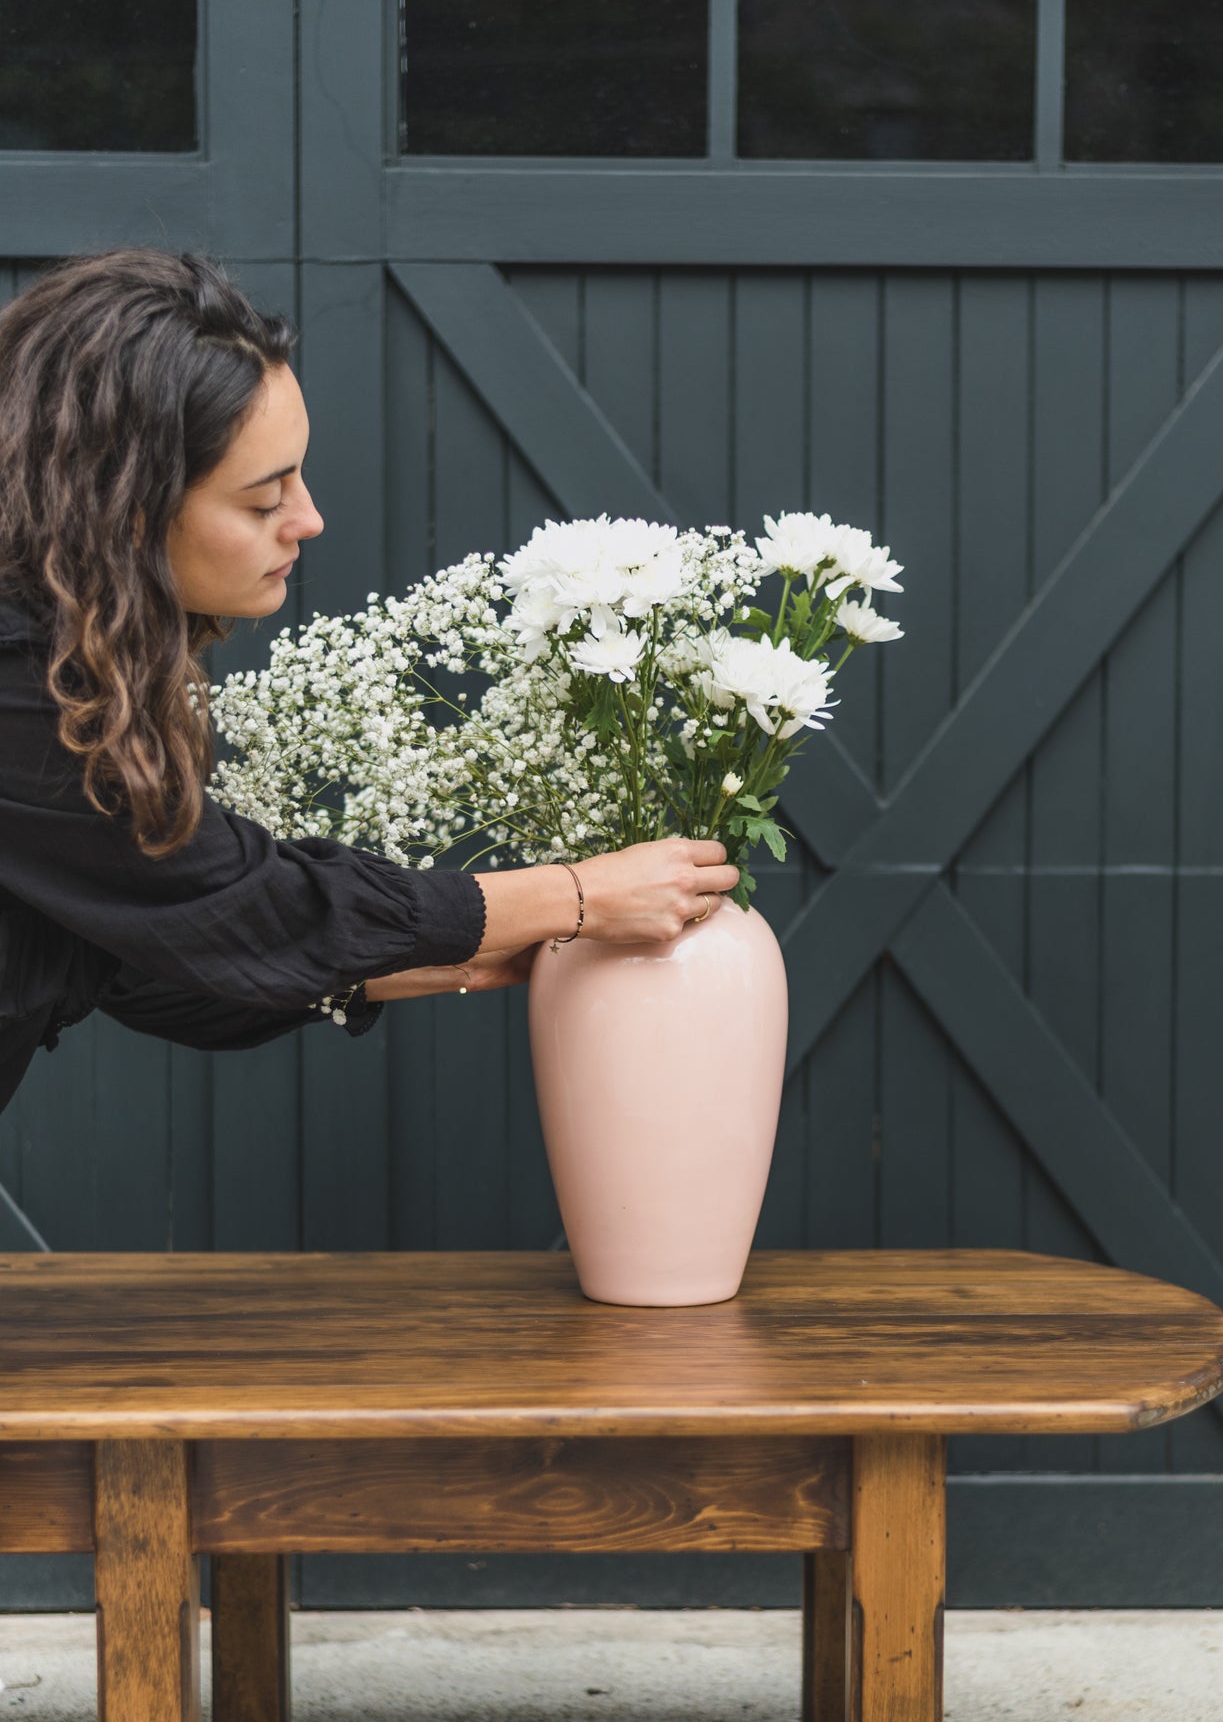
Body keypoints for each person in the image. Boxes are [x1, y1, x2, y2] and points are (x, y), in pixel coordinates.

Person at [0, 249, 737, 1115]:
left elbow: (140, 959)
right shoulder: (19, 679)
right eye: (262, 499)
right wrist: (574, 894)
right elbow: (236, 904)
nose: (308, 519)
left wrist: (420, 962)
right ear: (122, 510)